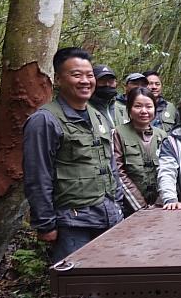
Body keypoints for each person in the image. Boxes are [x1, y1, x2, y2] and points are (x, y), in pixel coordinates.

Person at [23, 47, 123, 262]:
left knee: (109, 282)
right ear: (58, 79)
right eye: (76, 75)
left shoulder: (98, 116)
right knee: (76, 287)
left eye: (89, 75)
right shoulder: (45, 120)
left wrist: (118, 202)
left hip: (109, 216)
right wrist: (46, 223)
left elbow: (110, 163)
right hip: (73, 223)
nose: (85, 81)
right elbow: (37, 175)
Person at [113, 87, 168, 215]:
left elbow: (169, 169)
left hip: (160, 206)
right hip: (130, 208)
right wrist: (140, 206)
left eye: (149, 106)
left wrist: (161, 201)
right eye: (138, 106)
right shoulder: (118, 133)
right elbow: (118, 172)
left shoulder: (162, 135)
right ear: (129, 109)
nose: (144, 111)